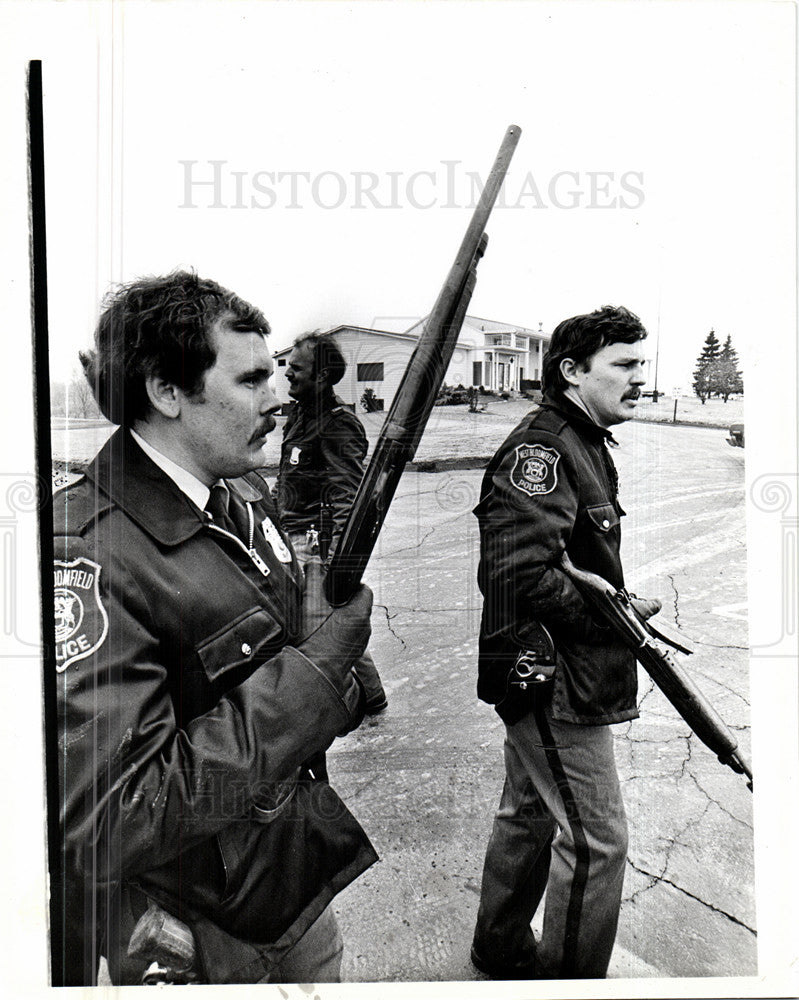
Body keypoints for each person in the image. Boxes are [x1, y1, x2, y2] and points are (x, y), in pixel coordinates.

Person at [53, 272, 377, 986]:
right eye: (253, 377)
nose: (282, 394)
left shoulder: (240, 493)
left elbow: (269, 644)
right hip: (204, 927)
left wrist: (337, 667)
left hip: (288, 880)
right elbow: (116, 819)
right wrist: (314, 679)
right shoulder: (87, 552)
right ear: (167, 391)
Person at [470, 305, 661, 980]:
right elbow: (518, 572)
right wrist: (612, 614)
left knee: (529, 814)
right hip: (551, 677)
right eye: (625, 365)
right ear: (572, 372)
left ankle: (498, 949)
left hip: (555, 669)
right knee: (597, 841)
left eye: (642, 363)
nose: (640, 378)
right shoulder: (543, 448)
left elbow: (560, 558)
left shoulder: (581, 440)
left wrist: (615, 600)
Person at [276, 332, 387, 716]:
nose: (287, 373)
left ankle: (368, 698)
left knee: (325, 628)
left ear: (322, 377)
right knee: (324, 627)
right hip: (288, 537)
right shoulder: (301, 414)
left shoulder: (339, 424)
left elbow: (347, 497)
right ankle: (372, 696)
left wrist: (340, 561)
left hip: (314, 545)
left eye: (296, 367)